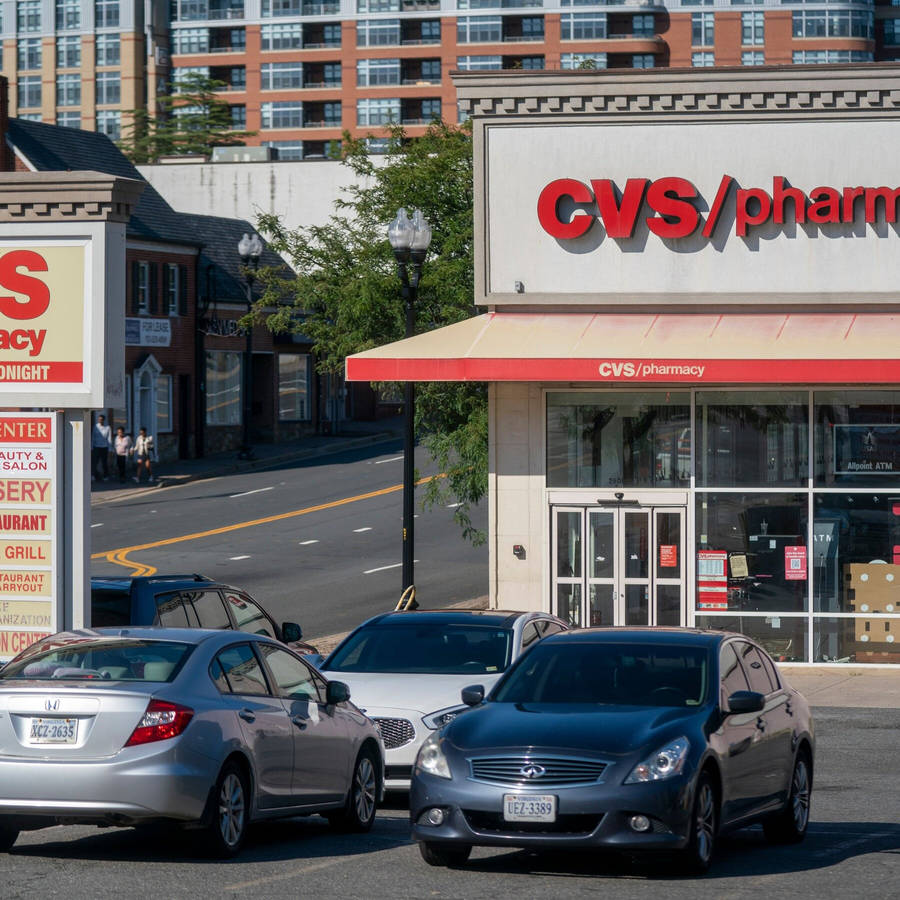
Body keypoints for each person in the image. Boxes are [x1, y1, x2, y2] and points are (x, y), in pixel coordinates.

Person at [91, 414, 112, 482]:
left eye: (101, 419)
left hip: (104, 447)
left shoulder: (108, 427)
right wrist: (91, 447)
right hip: (96, 447)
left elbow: (109, 439)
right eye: (99, 419)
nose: (100, 420)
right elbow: (93, 437)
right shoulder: (96, 426)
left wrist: (110, 449)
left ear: (103, 420)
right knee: (95, 462)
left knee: (104, 462)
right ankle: (93, 475)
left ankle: (105, 476)